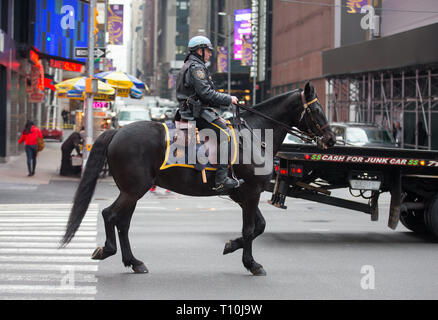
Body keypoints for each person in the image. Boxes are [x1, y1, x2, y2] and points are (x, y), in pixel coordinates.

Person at [176, 35, 243, 191]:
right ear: (200, 50)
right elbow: (206, 93)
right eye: (208, 51)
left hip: (193, 110)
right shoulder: (196, 68)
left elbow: (203, 94)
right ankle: (221, 179)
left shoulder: (189, 64)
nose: (210, 54)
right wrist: (228, 98)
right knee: (226, 135)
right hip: (195, 114)